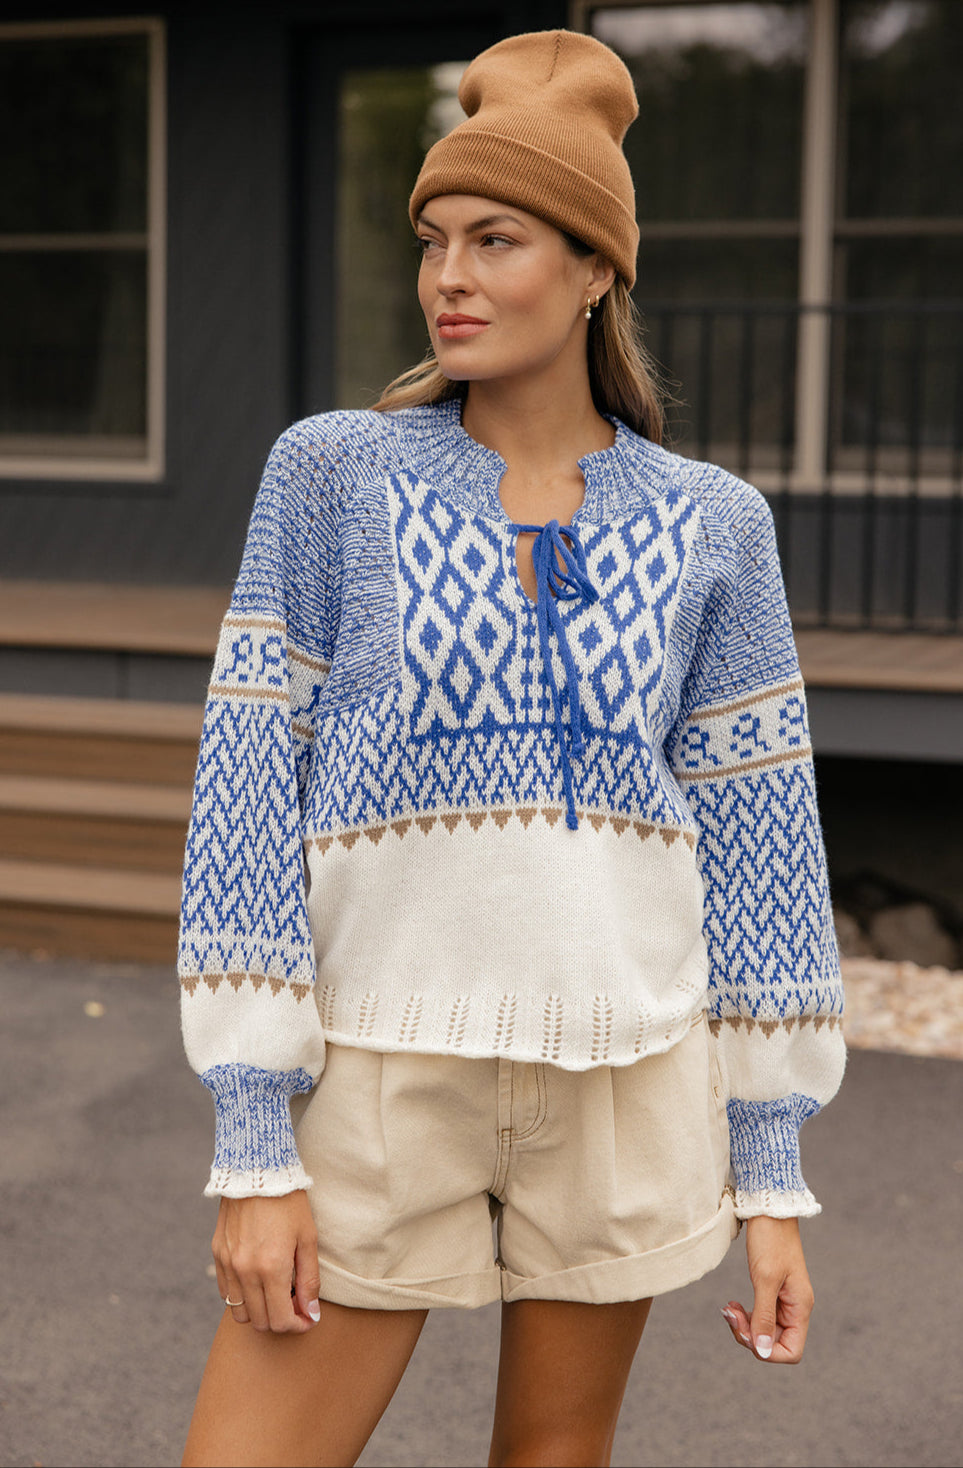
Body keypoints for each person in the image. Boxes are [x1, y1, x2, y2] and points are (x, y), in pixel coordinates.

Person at [177, 28, 845, 1468]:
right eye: (434, 240)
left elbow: (763, 846)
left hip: (623, 1082)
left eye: (498, 237)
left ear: (598, 264)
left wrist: (772, 1177)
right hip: (374, 1079)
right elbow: (243, 787)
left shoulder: (714, 523)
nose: (450, 278)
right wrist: (253, 1140)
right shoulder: (332, 476)